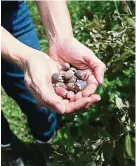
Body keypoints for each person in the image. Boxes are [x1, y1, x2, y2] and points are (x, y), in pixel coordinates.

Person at [1, 1, 106, 166]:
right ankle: (7, 147)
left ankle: (47, 144)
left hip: (9, 11)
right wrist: (23, 56)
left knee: (35, 100)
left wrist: (62, 37)